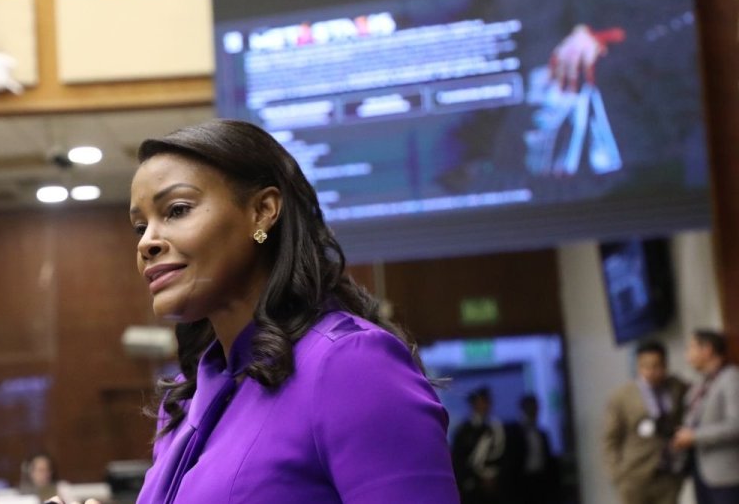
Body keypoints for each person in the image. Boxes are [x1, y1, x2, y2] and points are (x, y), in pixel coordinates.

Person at [125, 119, 458, 503]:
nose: (147, 242)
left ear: (262, 211)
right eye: (139, 227)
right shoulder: (186, 402)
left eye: (177, 210)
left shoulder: (350, 366)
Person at [603, 340, 687, 504]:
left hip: (669, 474)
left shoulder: (677, 386)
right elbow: (610, 439)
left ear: (665, 365)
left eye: (657, 366)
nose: (651, 371)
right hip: (634, 475)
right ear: (638, 366)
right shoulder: (621, 396)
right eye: (645, 366)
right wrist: (616, 474)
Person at [672, 330, 739, 504]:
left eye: (691, 348)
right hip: (701, 473)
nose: (687, 354)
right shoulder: (700, 383)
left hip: (726, 477)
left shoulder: (730, 378)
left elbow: (736, 425)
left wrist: (694, 436)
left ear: (707, 350)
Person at [451, 387, 508, 504]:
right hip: (472, 487)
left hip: (495, 486)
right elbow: (459, 459)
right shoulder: (463, 430)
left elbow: (502, 454)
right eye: (480, 402)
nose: (483, 405)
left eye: (486, 402)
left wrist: (494, 476)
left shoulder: (497, 427)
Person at [507, 394, 560, 504]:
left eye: (536, 407)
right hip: (522, 482)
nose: (534, 411)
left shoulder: (542, 434)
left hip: (540, 480)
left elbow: (547, 460)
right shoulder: (513, 432)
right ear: (524, 409)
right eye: (531, 407)